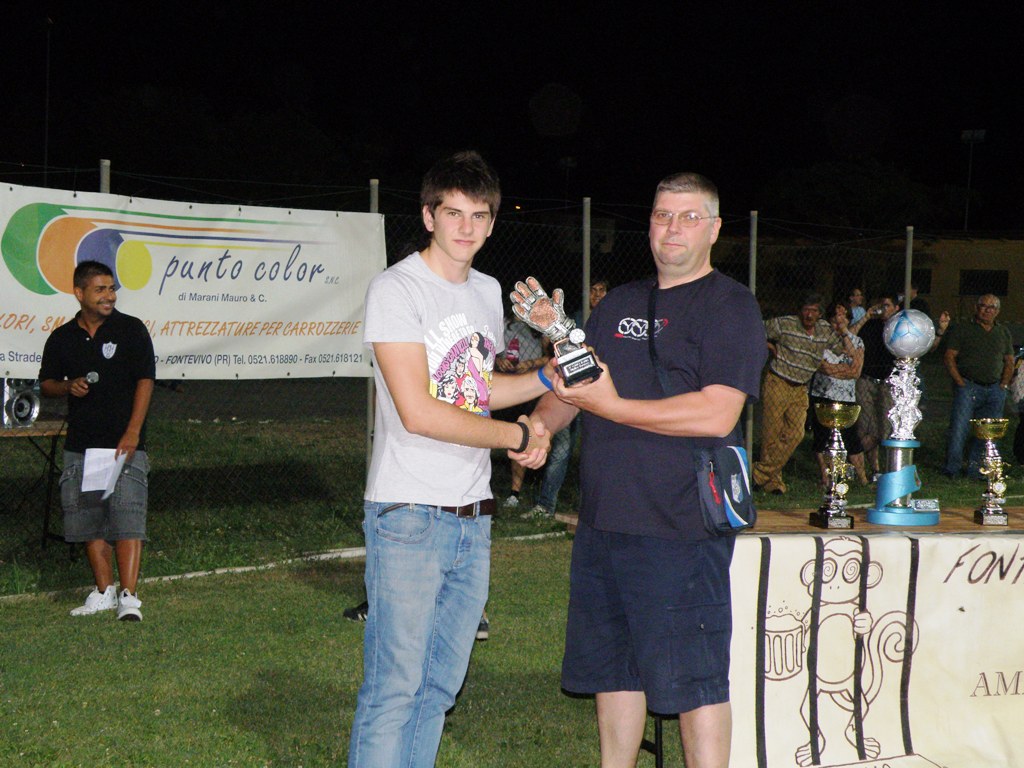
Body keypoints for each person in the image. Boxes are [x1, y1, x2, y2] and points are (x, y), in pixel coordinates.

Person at [528, 172, 766, 768]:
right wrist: (538, 428)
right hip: (604, 523)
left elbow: (717, 412)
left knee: (695, 679)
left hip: (682, 527)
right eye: (662, 215)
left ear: (714, 229)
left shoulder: (731, 305)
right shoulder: (617, 304)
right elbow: (574, 385)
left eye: (689, 217)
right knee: (615, 672)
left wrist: (614, 408)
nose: (672, 228)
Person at [346, 150, 553, 768]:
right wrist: (517, 437)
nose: (467, 226)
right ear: (428, 216)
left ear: (493, 223)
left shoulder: (487, 291)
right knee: (395, 689)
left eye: (479, 215)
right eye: (454, 213)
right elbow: (418, 411)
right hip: (409, 513)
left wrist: (548, 376)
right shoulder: (396, 288)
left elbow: (474, 389)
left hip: (473, 516)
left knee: (439, 687)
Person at [38, 260, 155, 621]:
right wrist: (67, 386)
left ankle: (129, 596)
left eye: (112, 288)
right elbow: (47, 384)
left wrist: (133, 431)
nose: (110, 296)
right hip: (83, 444)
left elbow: (145, 380)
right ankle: (104, 591)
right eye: (100, 289)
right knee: (91, 519)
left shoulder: (131, 329)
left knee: (127, 516)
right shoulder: (62, 337)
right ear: (79, 293)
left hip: (124, 443)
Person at [522, 278, 609, 520]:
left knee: (595, 450)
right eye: (593, 290)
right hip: (569, 390)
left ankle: (592, 506)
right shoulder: (576, 318)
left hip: (602, 395)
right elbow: (555, 353)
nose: (597, 295)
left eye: (602, 290)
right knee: (560, 450)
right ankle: (546, 505)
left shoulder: (612, 317)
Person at [752, 293, 848, 494]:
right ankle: (773, 482)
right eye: (806, 310)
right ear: (800, 311)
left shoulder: (824, 330)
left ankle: (758, 474)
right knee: (772, 434)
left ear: (820, 314)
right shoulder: (786, 324)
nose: (809, 315)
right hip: (779, 381)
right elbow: (754, 329)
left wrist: (844, 331)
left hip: (801, 387)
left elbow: (842, 349)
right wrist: (767, 345)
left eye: (814, 311)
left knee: (796, 433)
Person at [941, 294, 1015, 479]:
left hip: (995, 389)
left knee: (987, 433)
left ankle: (978, 470)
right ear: (976, 307)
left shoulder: (1003, 332)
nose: (987, 310)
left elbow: (1009, 360)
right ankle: (952, 469)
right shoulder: (963, 329)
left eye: (992, 307)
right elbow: (949, 356)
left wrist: (1004, 384)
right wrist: (960, 381)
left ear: (997, 311)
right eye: (983, 306)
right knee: (959, 429)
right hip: (969, 386)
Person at [809, 302, 868, 486]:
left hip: (846, 397)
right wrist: (845, 369)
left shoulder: (857, 341)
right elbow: (824, 368)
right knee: (821, 438)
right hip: (823, 394)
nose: (838, 322)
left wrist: (844, 334)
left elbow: (856, 371)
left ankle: (863, 478)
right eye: (835, 318)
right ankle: (825, 477)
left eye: (843, 317)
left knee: (852, 439)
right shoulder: (820, 340)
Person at [495, 315, 550, 509]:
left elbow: (551, 359)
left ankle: (514, 492)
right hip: (503, 386)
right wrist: (499, 360)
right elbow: (488, 351)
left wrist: (531, 364)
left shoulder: (539, 326)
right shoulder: (503, 323)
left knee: (522, 436)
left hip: (529, 387)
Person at [848, 292, 900, 479]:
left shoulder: (899, 328)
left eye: (886, 305)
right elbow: (849, 336)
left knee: (882, 430)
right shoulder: (869, 325)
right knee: (864, 427)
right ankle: (874, 469)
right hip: (866, 380)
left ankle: (849, 459)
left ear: (896, 308)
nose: (882, 309)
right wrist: (866, 316)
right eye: (880, 305)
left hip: (887, 383)